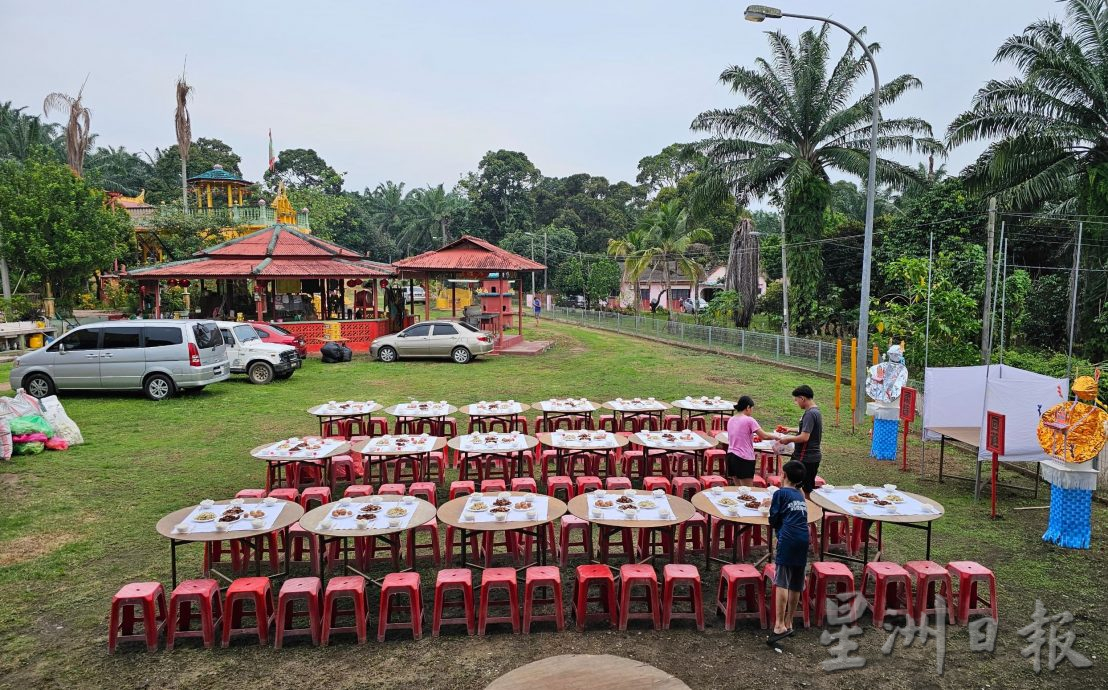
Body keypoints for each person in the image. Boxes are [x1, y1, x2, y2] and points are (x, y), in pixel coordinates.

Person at [767, 460, 810, 643]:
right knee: (795, 582)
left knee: (782, 580)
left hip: (788, 538)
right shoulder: (801, 496)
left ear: (784, 476)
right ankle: (789, 622)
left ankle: (778, 625)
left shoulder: (780, 493)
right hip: (803, 538)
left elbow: (774, 518)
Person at [778, 384, 822, 495]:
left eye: (796, 400)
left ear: (802, 398)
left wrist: (788, 439)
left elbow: (805, 437)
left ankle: (806, 509)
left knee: (801, 488)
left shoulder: (810, 414)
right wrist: (790, 429)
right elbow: (808, 430)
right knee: (800, 486)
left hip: (805, 457)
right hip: (809, 457)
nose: (796, 403)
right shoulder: (815, 411)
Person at [725, 395, 779, 486]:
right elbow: (764, 436)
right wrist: (777, 437)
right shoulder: (749, 420)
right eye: (752, 408)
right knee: (747, 491)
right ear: (748, 407)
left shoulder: (731, 419)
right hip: (743, 458)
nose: (752, 411)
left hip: (731, 456)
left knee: (738, 489)